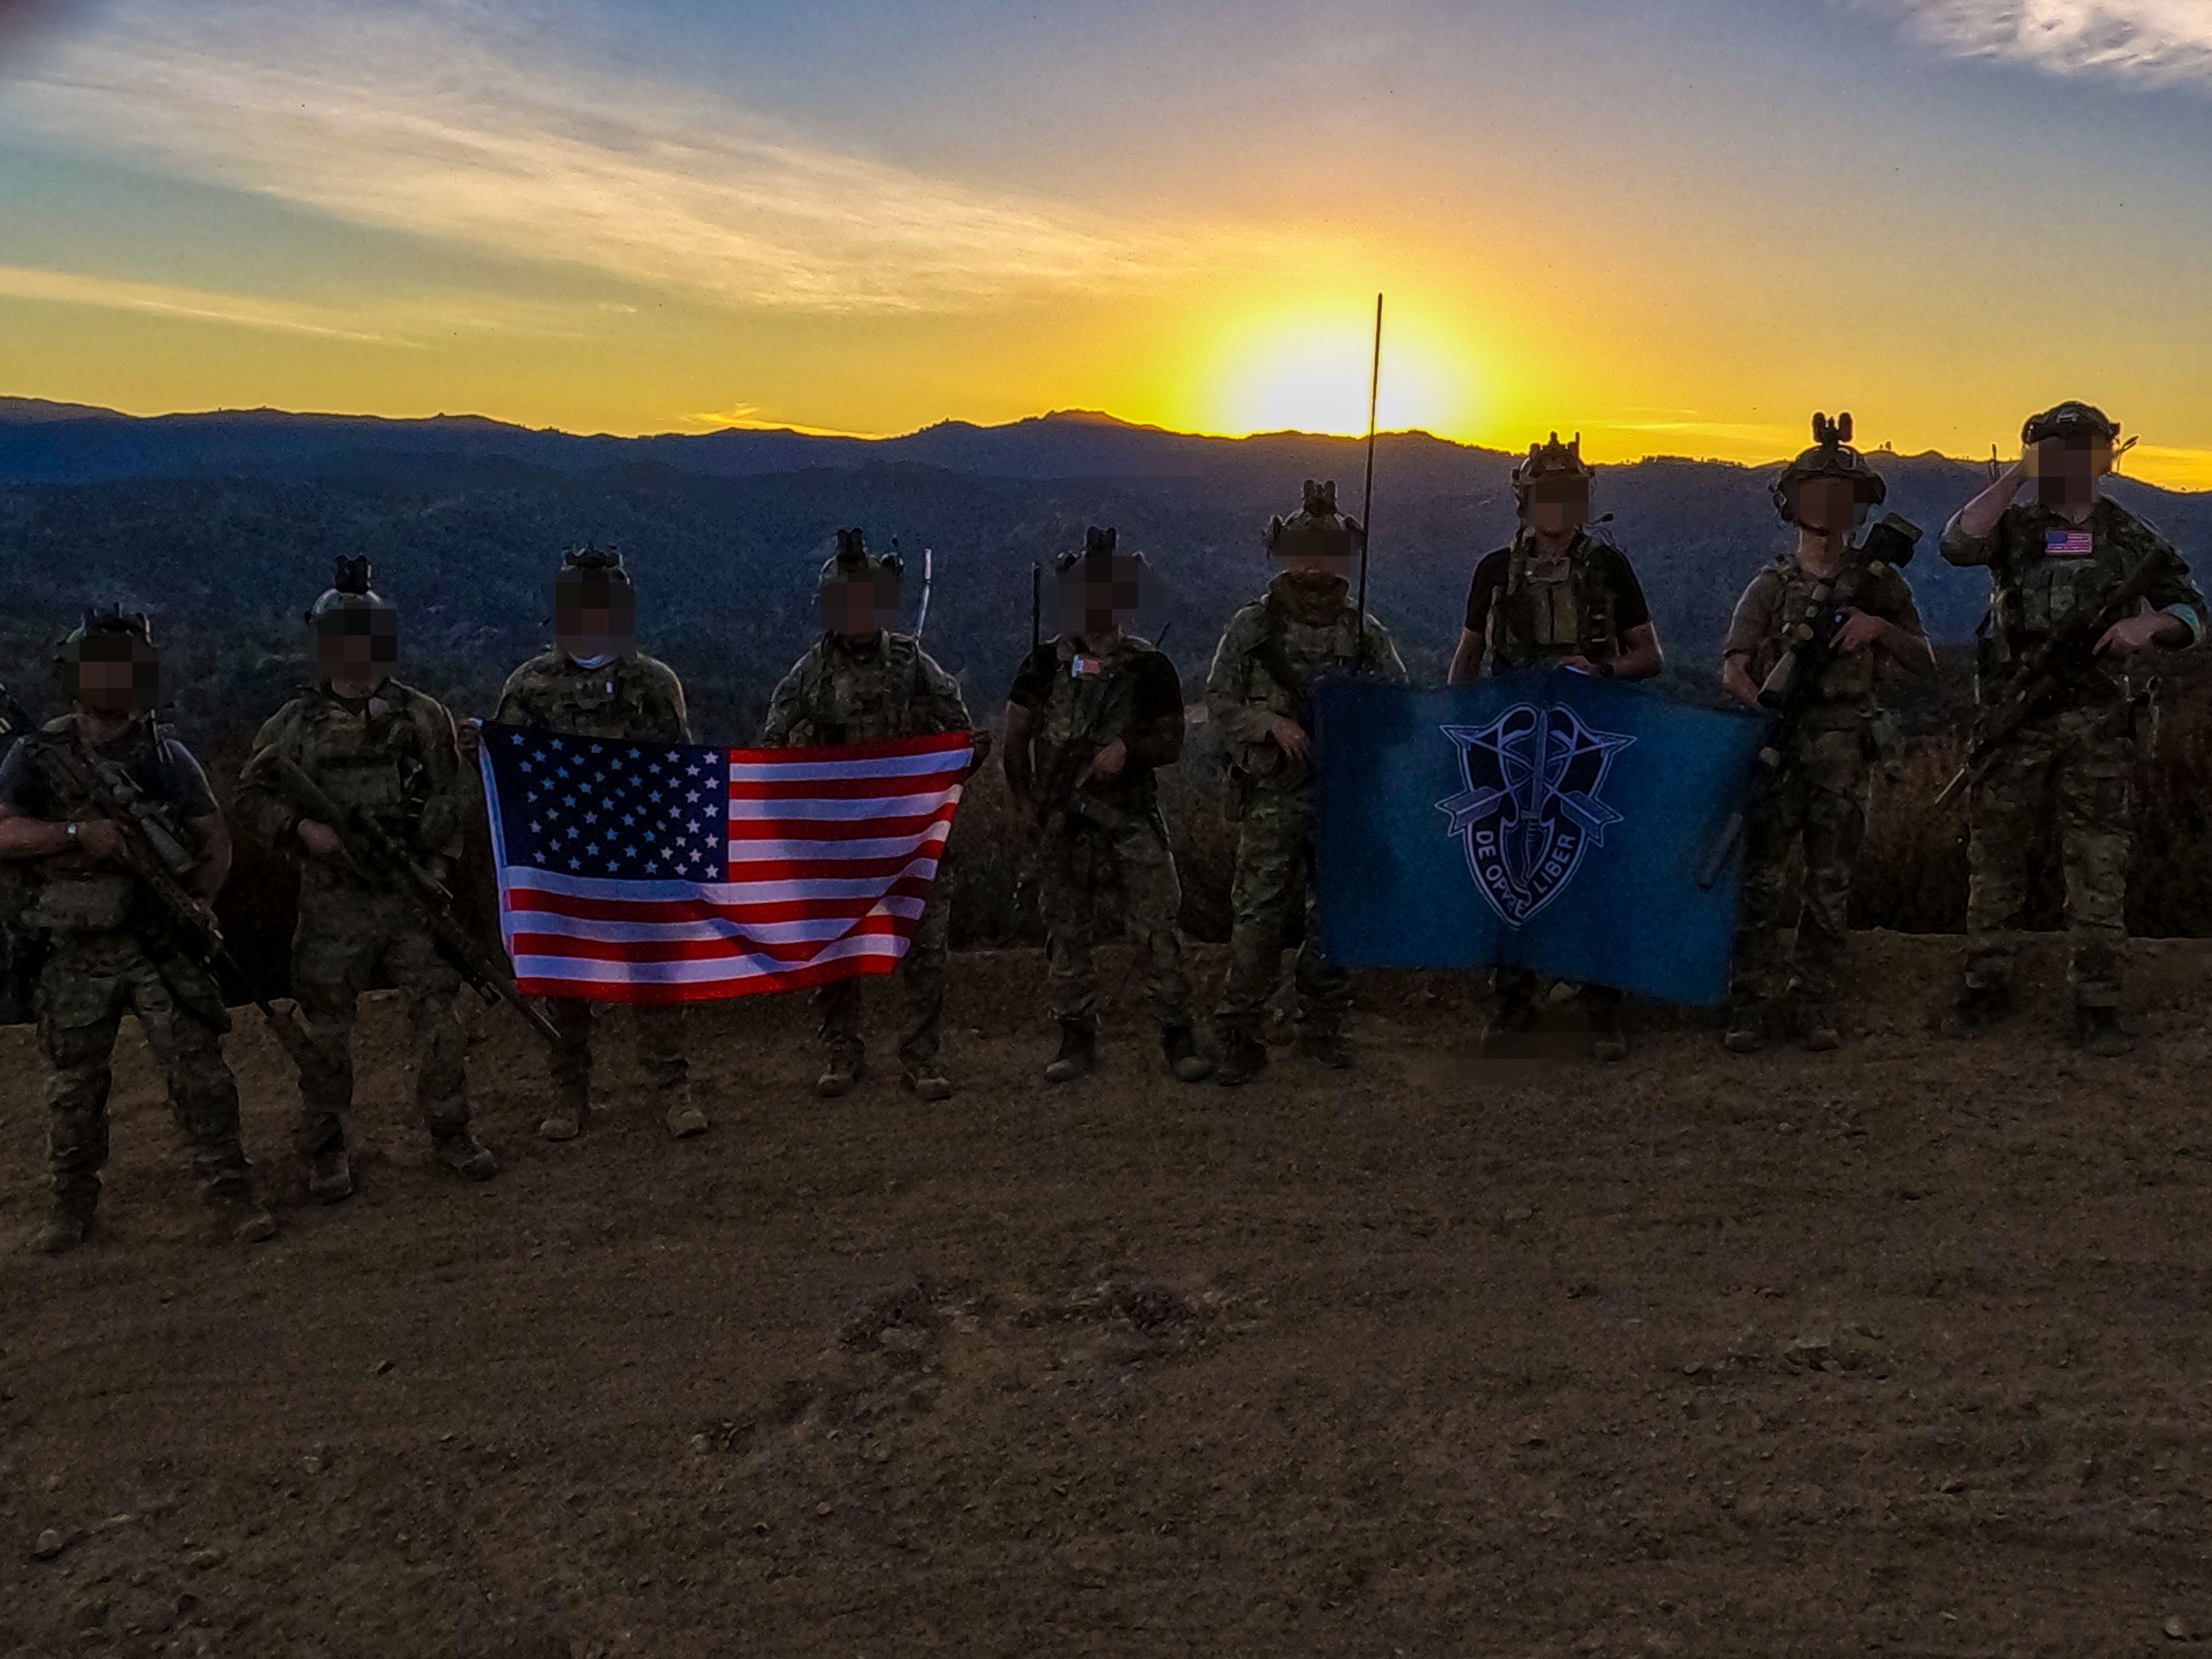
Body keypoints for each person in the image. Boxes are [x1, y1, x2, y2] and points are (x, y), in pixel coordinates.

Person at [0, 609, 275, 1252]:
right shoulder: (37, 757)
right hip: (77, 946)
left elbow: (214, 839)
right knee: (74, 1085)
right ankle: (71, 1204)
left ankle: (231, 1190)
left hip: (159, 939)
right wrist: (76, 835)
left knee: (199, 1073)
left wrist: (200, 901)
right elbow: (3, 830)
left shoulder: (165, 757)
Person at [1940, 401, 2203, 1055]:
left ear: (2106, 457)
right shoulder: (2016, 527)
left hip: (2100, 722)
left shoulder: (2133, 540)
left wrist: (2149, 626)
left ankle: (2098, 1001)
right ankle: (1987, 984)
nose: (2072, 461)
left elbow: (2193, 611)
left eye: (2084, 449)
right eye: (2058, 449)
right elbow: (1957, 544)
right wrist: (2019, 476)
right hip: (2017, 714)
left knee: (2098, 861)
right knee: (1995, 853)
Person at [235, 559, 496, 1204]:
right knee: (327, 1032)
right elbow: (249, 798)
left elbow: (452, 798)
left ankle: (452, 1134)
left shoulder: (422, 715)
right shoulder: (294, 725)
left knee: (437, 1018)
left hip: (409, 897)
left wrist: (431, 868)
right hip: (333, 902)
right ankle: (326, 1152)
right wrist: (302, 831)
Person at [469, 544, 704, 1142]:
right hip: (561, 863)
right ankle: (569, 1093)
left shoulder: (654, 684)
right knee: (565, 982)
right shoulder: (530, 686)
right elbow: (506, 774)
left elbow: (680, 769)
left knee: (655, 979)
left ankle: (673, 1089)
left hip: (639, 859)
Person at [1719, 413, 1932, 1053]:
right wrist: (1762, 705)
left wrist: (1879, 629)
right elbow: (1733, 665)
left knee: (1829, 885)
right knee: (1763, 883)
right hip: (1779, 747)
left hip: (1845, 749)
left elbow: (1923, 658)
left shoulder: (1881, 583)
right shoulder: (1770, 586)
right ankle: (1750, 1006)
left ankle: (1813, 1006)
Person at [1452, 431, 1664, 1061]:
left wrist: (1596, 672)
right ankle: (1512, 1003)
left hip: (1589, 742)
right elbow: (1466, 657)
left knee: (1593, 871)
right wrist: (1452, 731)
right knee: (1510, 870)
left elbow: (1650, 657)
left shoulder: (1609, 568)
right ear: (1523, 498)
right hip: (1508, 743)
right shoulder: (1494, 571)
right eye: (1544, 494)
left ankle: (1602, 1009)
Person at [761, 529, 987, 1101]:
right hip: (835, 846)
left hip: (909, 838)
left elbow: (958, 725)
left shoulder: (912, 664)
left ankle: (921, 1056)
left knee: (927, 951)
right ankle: (841, 1053)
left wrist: (957, 758)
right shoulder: (809, 673)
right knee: (835, 950)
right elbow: (770, 745)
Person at [1205, 479, 1408, 1087]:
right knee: (1260, 914)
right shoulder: (1252, 628)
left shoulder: (1363, 629)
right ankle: (1240, 1030)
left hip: (1343, 794)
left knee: (1337, 914)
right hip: (1272, 794)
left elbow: (1397, 704)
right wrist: (1269, 724)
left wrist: (1359, 718)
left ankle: (1323, 1022)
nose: (1316, 561)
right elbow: (1219, 701)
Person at [1002, 527, 1211, 1085]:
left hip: (1130, 818)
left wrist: (1128, 750)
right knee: (1066, 934)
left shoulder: (1149, 667)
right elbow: (1015, 736)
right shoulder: (1045, 664)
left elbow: (1171, 741)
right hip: (1064, 822)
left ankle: (1177, 1035)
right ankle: (1074, 1037)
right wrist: (1024, 804)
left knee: (1158, 931)